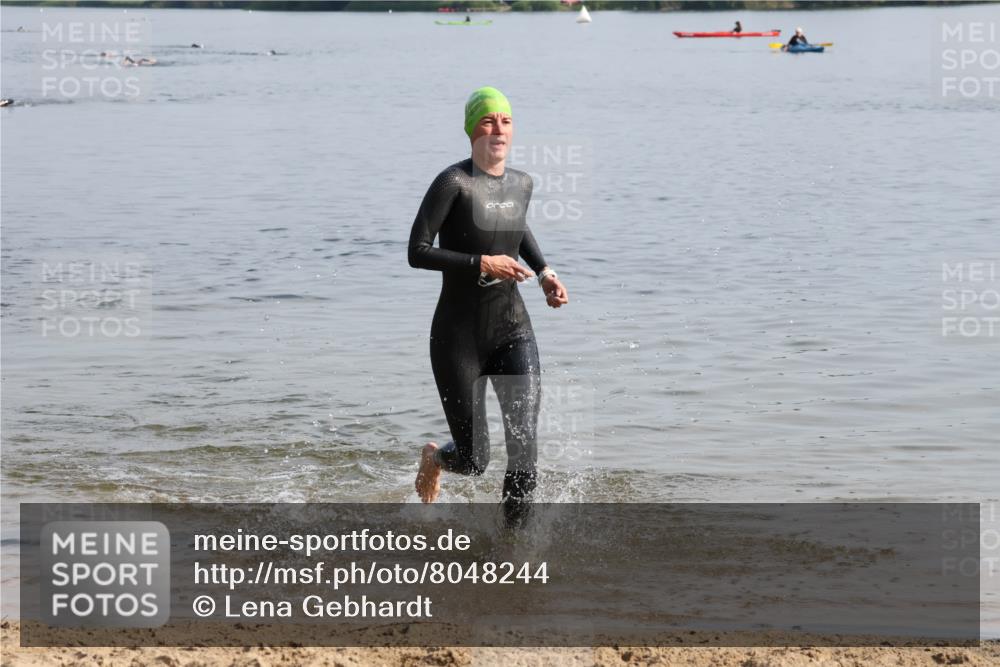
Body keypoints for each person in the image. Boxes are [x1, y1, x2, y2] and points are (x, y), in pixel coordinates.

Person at [409, 87, 569, 522]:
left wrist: (545, 273)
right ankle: (436, 458)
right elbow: (417, 251)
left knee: (524, 445)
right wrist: (482, 261)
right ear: (471, 130)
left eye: (506, 120)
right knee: (475, 460)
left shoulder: (521, 183)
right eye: (487, 120)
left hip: (512, 329)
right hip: (458, 338)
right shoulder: (452, 183)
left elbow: (517, 228)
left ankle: (514, 553)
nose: (498, 128)